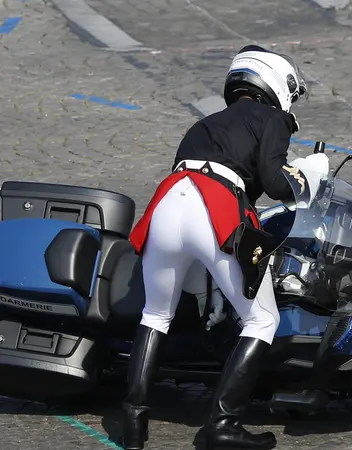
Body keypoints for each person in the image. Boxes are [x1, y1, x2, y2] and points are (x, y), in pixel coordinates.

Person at [121, 45, 327, 450]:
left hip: (168, 200)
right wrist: (310, 175)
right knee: (262, 320)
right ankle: (222, 424)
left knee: (155, 314)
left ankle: (133, 426)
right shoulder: (272, 118)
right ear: (277, 83)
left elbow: (193, 180)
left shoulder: (205, 124)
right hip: (214, 204)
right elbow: (273, 183)